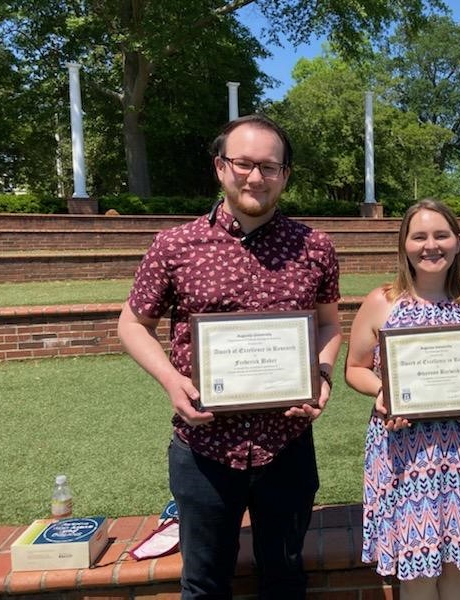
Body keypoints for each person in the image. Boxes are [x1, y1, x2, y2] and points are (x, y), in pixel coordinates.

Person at [117, 114, 342, 599]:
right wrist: (171, 381)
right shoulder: (175, 245)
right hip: (205, 449)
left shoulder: (316, 248)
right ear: (221, 167)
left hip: (286, 443)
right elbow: (133, 325)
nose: (256, 176)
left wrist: (322, 375)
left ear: (286, 174)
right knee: (204, 585)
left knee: (284, 578)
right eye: (243, 163)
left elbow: (327, 322)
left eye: (270, 166)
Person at [344, 199, 460, 600]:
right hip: (404, 451)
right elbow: (354, 368)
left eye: (441, 235)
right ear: (404, 244)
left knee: (457, 565)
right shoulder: (382, 302)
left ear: (458, 242)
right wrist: (382, 391)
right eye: (419, 236)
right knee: (417, 567)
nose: (430, 245)